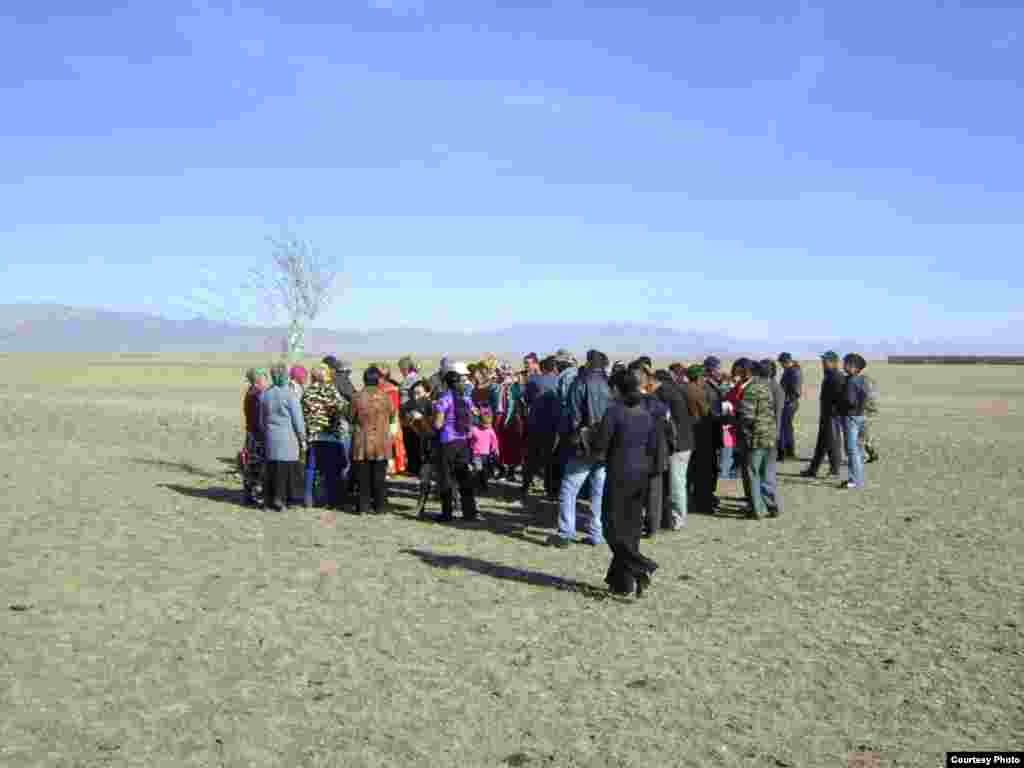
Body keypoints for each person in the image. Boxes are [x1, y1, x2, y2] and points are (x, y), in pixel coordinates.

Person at [591, 368, 660, 597]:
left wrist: (590, 436)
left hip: (620, 474)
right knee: (630, 530)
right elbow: (653, 446)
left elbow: (600, 447)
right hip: (641, 475)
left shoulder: (614, 412)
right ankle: (623, 583)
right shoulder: (646, 412)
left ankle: (642, 566)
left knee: (611, 528)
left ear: (617, 389)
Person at [549, 350, 611, 548]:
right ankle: (596, 533)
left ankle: (566, 532)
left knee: (568, 488)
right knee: (598, 491)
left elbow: (574, 415)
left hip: (584, 444)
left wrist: (570, 437)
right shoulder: (610, 384)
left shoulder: (581, 382)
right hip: (605, 446)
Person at [432, 363, 479, 522]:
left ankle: (447, 513)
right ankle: (470, 512)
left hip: (447, 442)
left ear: (445, 383)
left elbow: (438, 424)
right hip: (463, 442)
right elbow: (474, 416)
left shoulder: (444, 400)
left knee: (447, 478)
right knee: (464, 477)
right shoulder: (466, 399)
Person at [629, 360, 669, 538]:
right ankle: (652, 526)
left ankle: (636, 525)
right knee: (654, 491)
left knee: (636, 491)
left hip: (637, 452)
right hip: (657, 451)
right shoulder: (658, 404)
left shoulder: (630, 402)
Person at [734, 359, 778, 519]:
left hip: (755, 437)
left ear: (747, 372)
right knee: (765, 473)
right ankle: (769, 505)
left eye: (739, 371)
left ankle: (757, 510)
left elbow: (748, 417)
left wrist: (734, 413)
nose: (736, 374)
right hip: (768, 435)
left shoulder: (751, 389)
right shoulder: (764, 386)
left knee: (753, 473)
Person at [260, 363, 307, 512]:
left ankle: (268, 501)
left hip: (271, 438)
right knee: (287, 472)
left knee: (272, 470)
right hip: (288, 439)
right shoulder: (290, 395)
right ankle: (283, 501)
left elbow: (262, 420)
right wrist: (302, 438)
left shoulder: (265, 394)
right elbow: (298, 420)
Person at [301, 363, 348, 509]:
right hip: (330, 436)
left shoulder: (307, 392)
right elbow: (342, 407)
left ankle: (308, 499)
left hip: (314, 436)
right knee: (330, 470)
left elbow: (303, 411)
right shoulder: (331, 390)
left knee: (310, 468)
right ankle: (330, 500)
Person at [350, 366, 396, 514]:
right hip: (381, 442)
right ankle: (380, 507)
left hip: (362, 442)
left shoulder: (356, 397)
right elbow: (392, 416)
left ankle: (363, 507)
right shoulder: (386, 397)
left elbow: (350, 417)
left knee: (362, 478)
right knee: (379, 477)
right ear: (377, 381)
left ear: (364, 380)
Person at [654, 368, 695, 529]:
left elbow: (666, 420)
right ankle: (674, 517)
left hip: (677, 445)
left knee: (676, 483)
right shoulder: (676, 389)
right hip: (684, 443)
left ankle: (678, 519)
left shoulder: (664, 392)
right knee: (677, 482)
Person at [801, 351, 846, 479]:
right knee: (822, 444)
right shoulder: (830, 375)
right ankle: (813, 469)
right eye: (823, 361)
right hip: (826, 414)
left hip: (832, 416)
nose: (823, 364)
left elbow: (840, 398)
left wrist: (834, 412)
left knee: (833, 443)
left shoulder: (837, 377)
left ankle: (834, 470)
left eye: (825, 361)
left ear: (833, 362)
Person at [521, 356, 560, 501]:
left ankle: (526, 485)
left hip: (535, 423)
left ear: (542, 368)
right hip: (553, 425)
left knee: (531, 456)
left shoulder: (533, 381)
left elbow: (526, 399)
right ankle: (550, 489)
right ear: (554, 368)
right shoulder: (559, 381)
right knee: (550, 458)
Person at [696, 355, 727, 514]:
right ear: (710, 370)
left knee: (711, 468)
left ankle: (707, 496)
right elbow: (707, 412)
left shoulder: (713, 385)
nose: (720, 371)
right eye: (718, 368)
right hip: (706, 434)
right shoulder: (706, 387)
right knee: (706, 469)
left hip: (711, 433)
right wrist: (723, 415)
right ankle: (704, 500)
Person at [494, 362, 526, 481]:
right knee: (499, 443)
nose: (505, 376)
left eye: (508, 374)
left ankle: (511, 471)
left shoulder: (515, 386)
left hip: (512, 418)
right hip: (499, 417)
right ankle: (502, 470)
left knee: (512, 444)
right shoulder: (496, 386)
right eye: (503, 373)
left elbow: (521, 397)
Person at [374, 363, 407, 476]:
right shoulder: (391, 388)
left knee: (391, 444)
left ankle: (391, 467)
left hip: (388, 420)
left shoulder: (390, 389)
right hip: (388, 420)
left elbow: (394, 407)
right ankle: (392, 467)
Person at [841, 353, 869, 489]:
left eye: (846, 363)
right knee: (857, 449)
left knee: (852, 450)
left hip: (851, 417)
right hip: (861, 417)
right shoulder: (862, 379)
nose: (844, 365)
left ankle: (855, 480)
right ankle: (858, 478)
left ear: (854, 367)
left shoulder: (851, 381)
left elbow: (850, 401)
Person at [242, 368, 269, 505]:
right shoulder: (257, 395)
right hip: (257, 435)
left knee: (251, 467)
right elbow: (260, 419)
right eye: (265, 378)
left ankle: (249, 495)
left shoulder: (250, 392)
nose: (267, 381)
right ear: (259, 379)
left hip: (251, 434)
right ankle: (255, 496)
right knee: (256, 467)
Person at [777, 353, 802, 461]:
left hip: (789, 404)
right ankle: (788, 452)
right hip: (789, 402)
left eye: (782, 363)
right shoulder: (791, 370)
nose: (781, 366)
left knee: (784, 428)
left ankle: (785, 453)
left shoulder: (794, 371)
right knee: (787, 428)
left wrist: (786, 400)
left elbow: (796, 391)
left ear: (786, 361)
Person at [469, 409, 500, 492]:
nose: (487, 425)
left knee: (484, 471)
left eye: (489, 424)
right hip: (476, 454)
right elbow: (469, 437)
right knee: (478, 469)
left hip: (486, 455)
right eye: (485, 424)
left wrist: (495, 450)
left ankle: (483, 484)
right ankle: (476, 484)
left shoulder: (490, 431)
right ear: (480, 422)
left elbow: (494, 441)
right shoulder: (474, 429)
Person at [860, 368, 880, 463]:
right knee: (866, 436)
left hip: (866, 413)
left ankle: (865, 456)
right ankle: (872, 454)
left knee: (862, 436)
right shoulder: (870, 383)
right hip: (869, 412)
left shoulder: (865, 383)